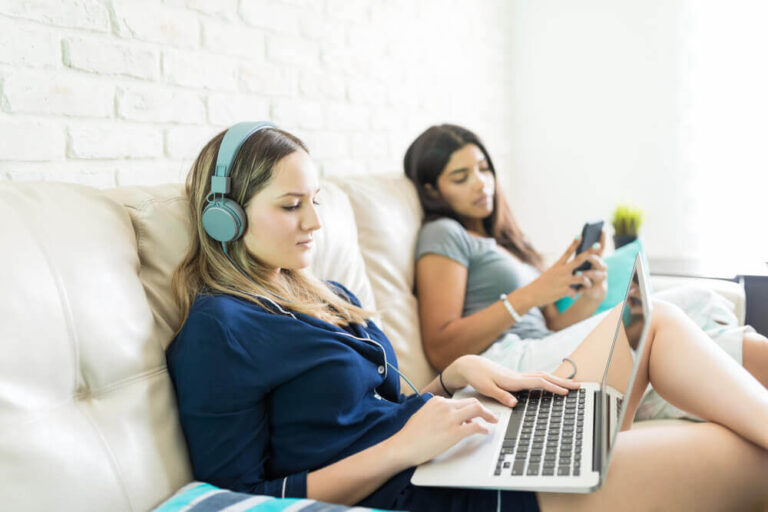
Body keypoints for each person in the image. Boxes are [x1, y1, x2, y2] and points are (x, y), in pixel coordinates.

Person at [167, 122, 768, 512]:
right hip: (429, 488)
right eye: (291, 206)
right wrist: (405, 447)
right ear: (226, 216)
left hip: (460, 443)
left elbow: (377, 411)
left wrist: (451, 377)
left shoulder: (322, 290)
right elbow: (239, 496)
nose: (315, 224)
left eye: (315, 202)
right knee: (744, 461)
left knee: (653, 319)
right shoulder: (220, 330)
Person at [405, 123, 768, 421]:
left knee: (703, 309)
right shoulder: (445, 234)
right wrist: (532, 292)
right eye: (460, 176)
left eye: (484, 169)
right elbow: (442, 349)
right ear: (432, 189)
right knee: (687, 313)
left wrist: (590, 295)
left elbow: (552, 327)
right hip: (502, 362)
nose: (480, 183)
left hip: (540, 348)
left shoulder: (506, 241)